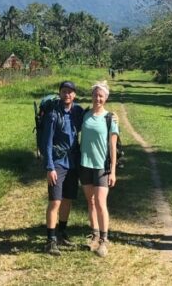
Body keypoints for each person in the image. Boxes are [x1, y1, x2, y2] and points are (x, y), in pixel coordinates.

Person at [42, 80, 84, 255]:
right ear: (59, 93)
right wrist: (49, 167)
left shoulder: (78, 112)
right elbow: (47, 143)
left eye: (70, 92)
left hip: (73, 162)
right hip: (58, 162)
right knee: (55, 201)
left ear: (74, 95)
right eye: (64, 91)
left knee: (67, 199)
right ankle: (50, 240)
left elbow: (93, 117)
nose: (67, 94)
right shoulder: (53, 115)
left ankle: (62, 232)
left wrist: (110, 117)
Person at [79, 81, 120, 257]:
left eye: (101, 96)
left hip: (102, 166)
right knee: (91, 202)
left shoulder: (110, 118)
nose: (98, 98)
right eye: (95, 95)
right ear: (92, 96)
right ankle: (94, 235)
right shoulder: (85, 115)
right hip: (85, 164)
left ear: (106, 98)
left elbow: (113, 147)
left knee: (101, 203)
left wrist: (113, 170)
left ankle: (104, 239)